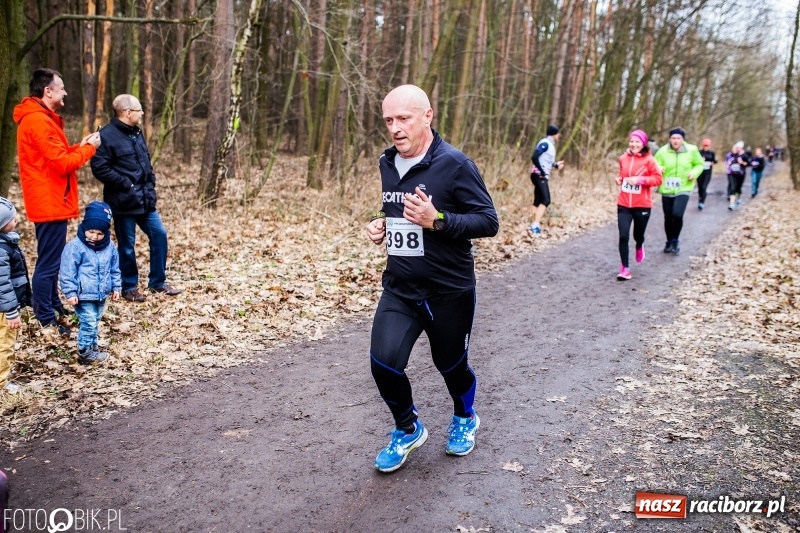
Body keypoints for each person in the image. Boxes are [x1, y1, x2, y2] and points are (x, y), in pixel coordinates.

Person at [365, 85, 499, 473]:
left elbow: (488, 222)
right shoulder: (387, 163)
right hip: (401, 288)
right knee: (383, 363)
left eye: (404, 118)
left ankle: (464, 416)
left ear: (428, 116)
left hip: (448, 291)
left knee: (451, 365)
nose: (395, 128)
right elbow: (394, 209)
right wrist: (380, 225)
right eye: (389, 120)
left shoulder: (456, 165)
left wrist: (438, 220)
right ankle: (407, 429)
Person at [13, 68, 100, 333]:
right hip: (48, 200)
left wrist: (80, 146)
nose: (65, 92)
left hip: (51, 198)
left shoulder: (43, 119)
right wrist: (89, 149)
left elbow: (57, 156)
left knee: (51, 259)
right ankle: (45, 317)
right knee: (49, 263)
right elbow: (62, 164)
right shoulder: (38, 121)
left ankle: (52, 305)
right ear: (47, 91)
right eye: (61, 87)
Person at [91, 94, 181, 302]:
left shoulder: (136, 133)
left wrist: (151, 183)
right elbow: (99, 168)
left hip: (145, 200)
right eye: (139, 110)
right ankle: (129, 286)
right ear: (127, 112)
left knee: (159, 234)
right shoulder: (106, 136)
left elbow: (145, 162)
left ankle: (157, 282)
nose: (142, 114)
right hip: (123, 202)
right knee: (127, 245)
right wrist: (125, 184)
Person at [59, 202, 121, 364]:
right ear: (84, 226)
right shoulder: (75, 247)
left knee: (95, 321)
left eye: (99, 233)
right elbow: (67, 271)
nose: (94, 236)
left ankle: (93, 348)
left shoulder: (110, 247)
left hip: (101, 294)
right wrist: (70, 292)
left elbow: (114, 268)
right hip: (83, 295)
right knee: (88, 321)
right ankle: (85, 353)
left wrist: (116, 286)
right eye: (91, 231)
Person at [614, 130, 663, 280]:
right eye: (632, 141)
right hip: (623, 204)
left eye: (637, 142)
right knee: (623, 236)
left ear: (643, 144)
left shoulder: (649, 160)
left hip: (642, 205)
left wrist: (640, 180)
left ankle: (639, 244)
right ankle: (625, 269)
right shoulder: (623, 158)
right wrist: (619, 180)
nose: (634, 144)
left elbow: (658, 179)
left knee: (638, 235)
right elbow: (622, 175)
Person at [654, 128, 704, 254]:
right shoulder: (662, 151)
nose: (676, 141)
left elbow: (699, 164)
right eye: (673, 138)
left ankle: (675, 240)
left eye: (678, 138)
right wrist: (658, 168)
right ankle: (669, 240)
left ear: (683, 139)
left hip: (684, 187)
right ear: (669, 139)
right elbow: (654, 164)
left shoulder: (692, 150)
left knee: (677, 214)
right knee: (668, 216)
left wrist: (694, 173)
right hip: (666, 188)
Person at [0, 198, 31, 393]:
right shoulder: (1, 250)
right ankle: (2, 383)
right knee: (5, 343)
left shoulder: (6, 242)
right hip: (4, 309)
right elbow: (2, 283)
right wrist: (11, 311)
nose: (17, 219)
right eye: (12, 218)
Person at [528, 125, 564, 235]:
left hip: (539, 175)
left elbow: (546, 161)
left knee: (537, 201)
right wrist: (542, 171)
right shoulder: (545, 143)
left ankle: (533, 225)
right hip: (539, 176)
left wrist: (556, 165)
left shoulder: (550, 145)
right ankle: (535, 225)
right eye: (558, 133)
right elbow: (534, 157)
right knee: (546, 200)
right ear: (554, 134)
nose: (559, 135)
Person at [725, 141, 748, 210]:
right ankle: (732, 204)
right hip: (732, 174)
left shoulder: (743, 155)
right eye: (735, 148)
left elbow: (748, 163)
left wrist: (742, 162)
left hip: (741, 174)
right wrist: (728, 164)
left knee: (738, 188)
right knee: (733, 188)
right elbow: (727, 162)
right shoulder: (730, 155)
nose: (736, 150)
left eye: (737, 148)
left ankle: (739, 198)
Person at [697, 138, 717, 210]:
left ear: (709, 146)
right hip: (700, 173)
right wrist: (700, 160)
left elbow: (715, 161)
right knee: (700, 188)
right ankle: (700, 198)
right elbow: (695, 161)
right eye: (705, 145)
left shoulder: (712, 153)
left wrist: (712, 163)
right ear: (702, 145)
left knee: (704, 187)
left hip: (708, 173)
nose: (706, 147)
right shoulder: (699, 152)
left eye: (707, 146)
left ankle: (702, 202)